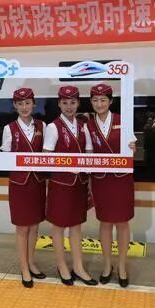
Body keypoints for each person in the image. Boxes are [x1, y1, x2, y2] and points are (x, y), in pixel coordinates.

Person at [0, 88, 47, 288]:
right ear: (15, 106)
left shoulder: (42, 126)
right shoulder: (9, 128)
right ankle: (24, 267)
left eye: (27, 103)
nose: (24, 107)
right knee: (22, 226)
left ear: (33, 104)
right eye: (20, 104)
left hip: (37, 182)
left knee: (35, 225)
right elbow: (3, 156)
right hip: (19, 184)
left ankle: (31, 262)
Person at [83, 83, 137, 287]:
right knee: (105, 223)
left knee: (122, 223)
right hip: (101, 180)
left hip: (121, 179)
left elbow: (132, 149)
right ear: (91, 102)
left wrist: (132, 148)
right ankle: (107, 265)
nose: (99, 104)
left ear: (111, 101)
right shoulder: (88, 125)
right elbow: (89, 153)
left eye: (103, 100)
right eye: (95, 100)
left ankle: (122, 266)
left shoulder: (123, 120)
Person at [43, 85, 97, 286]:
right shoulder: (53, 127)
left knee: (76, 226)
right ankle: (62, 265)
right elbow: (47, 158)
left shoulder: (84, 125)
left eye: (72, 102)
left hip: (80, 183)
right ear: (59, 104)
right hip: (60, 183)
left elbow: (89, 152)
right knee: (58, 227)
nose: (69, 106)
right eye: (65, 103)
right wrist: (68, 165)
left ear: (78, 103)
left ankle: (78, 267)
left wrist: (87, 172)